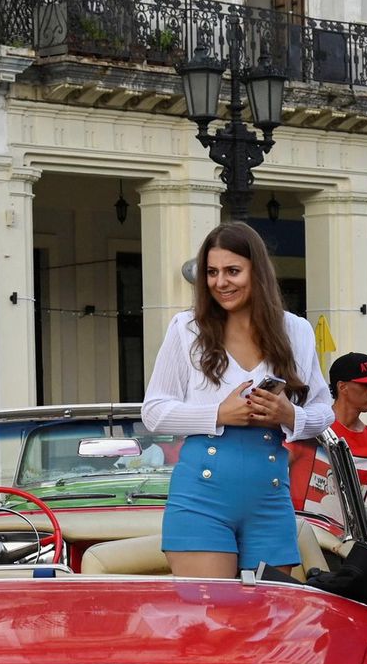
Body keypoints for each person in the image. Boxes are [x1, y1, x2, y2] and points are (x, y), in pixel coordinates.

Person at [142, 222, 334, 577]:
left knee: (267, 622)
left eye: (233, 271)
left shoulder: (296, 330)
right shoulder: (187, 329)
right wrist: (219, 413)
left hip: (270, 497)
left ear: (257, 272)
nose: (220, 282)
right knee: (211, 618)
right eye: (212, 273)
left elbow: (324, 410)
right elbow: (153, 412)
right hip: (201, 496)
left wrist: (290, 414)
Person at [291, 352, 367, 508]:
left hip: (347, 532)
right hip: (298, 529)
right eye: (366, 385)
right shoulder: (311, 428)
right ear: (342, 386)